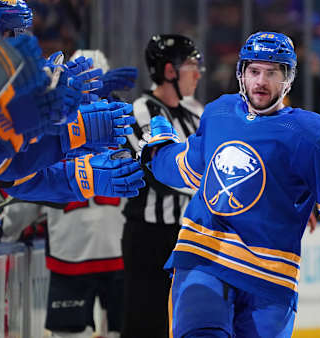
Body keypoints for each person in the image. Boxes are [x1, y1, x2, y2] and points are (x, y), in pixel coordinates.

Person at [140, 31, 320, 337]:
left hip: (271, 278)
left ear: (288, 79)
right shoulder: (219, 112)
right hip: (205, 258)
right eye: (254, 71)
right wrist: (159, 153)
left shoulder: (312, 136)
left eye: (272, 73)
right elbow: (191, 168)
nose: (260, 82)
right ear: (241, 74)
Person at [122, 34, 204, 338]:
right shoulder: (143, 111)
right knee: (146, 324)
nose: (197, 73)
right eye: (191, 65)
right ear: (169, 71)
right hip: (149, 235)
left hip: (188, 235)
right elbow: (161, 172)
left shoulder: (194, 114)